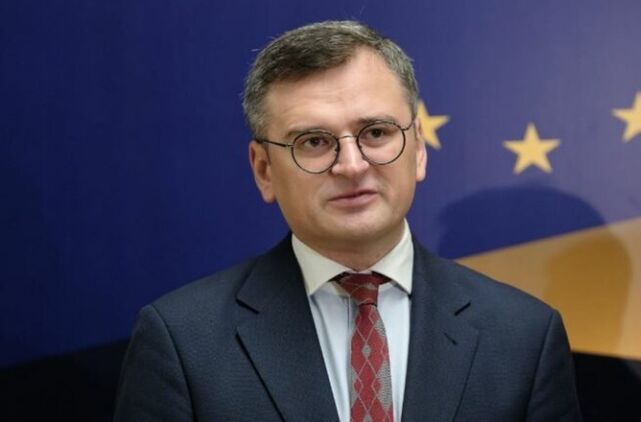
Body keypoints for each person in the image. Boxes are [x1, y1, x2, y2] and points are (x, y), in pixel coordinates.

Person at [114, 20, 581, 422]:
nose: (352, 165)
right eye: (314, 142)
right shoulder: (182, 340)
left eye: (376, 132)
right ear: (264, 170)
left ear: (418, 149)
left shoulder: (523, 336)